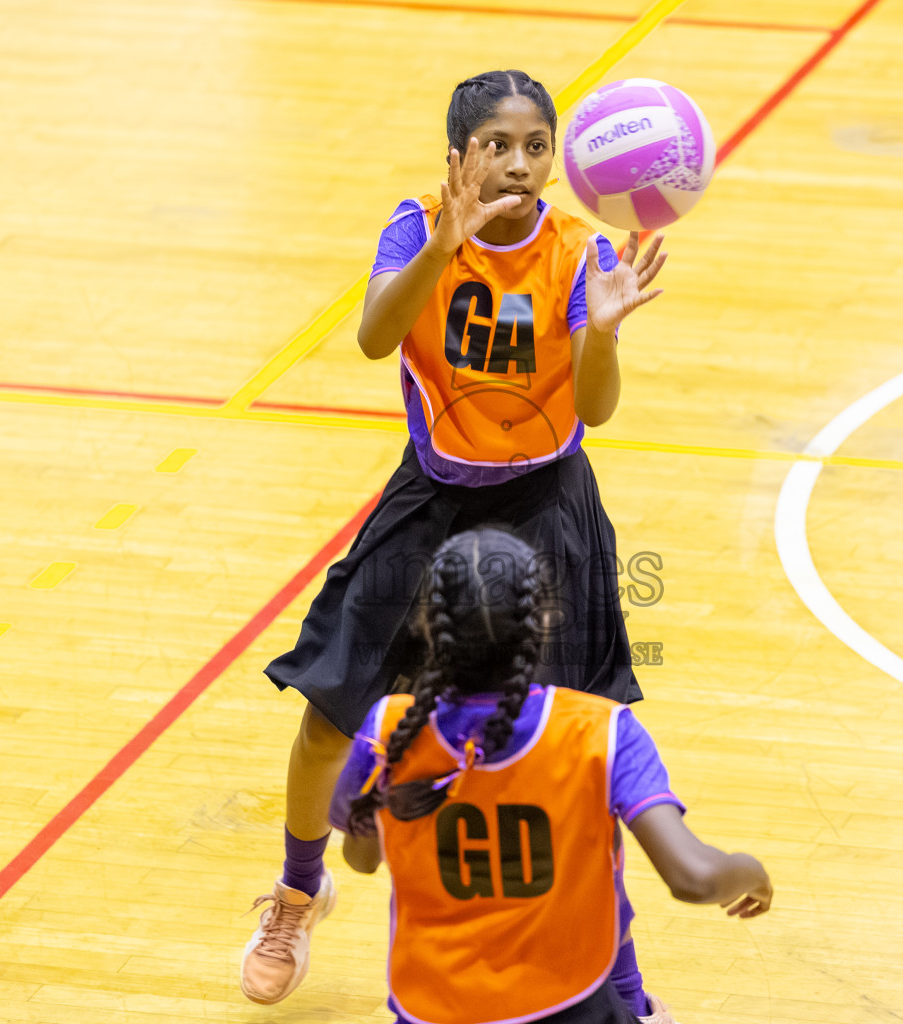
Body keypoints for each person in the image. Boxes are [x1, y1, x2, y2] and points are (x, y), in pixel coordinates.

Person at [242, 69, 670, 1012]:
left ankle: (614, 970)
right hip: (430, 501)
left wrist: (601, 333)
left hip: (548, 509)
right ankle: (297, 891)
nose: (519, 165)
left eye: (535, 147)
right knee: (326, 714)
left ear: (557, 161)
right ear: (458, 158)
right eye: (499, 147)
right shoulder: (416, 225)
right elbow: (371, 338)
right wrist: (444, 248)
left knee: (572, 751)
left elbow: (595, 409)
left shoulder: (577, 251)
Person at [335, 529, 773, 1024]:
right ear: (544, 621)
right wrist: (749, 870)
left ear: (428, 628)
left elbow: (361, 857)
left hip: (433, 1005)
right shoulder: (600, 731)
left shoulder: (388, 729)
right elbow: (695, 879)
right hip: (565, 1003)